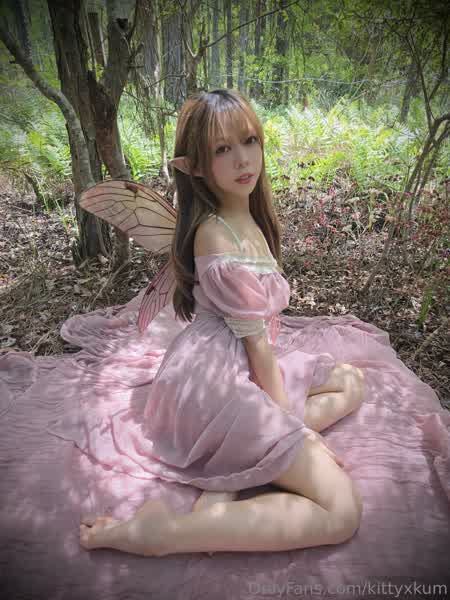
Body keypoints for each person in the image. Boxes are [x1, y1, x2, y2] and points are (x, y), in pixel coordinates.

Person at [78, 88, 365, 557]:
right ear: (195, 166)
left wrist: (290, 427)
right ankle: (161, 534)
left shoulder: (247, 218)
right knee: (342, 512)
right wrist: (297, 432)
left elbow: (258, 342)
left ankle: (236, 468)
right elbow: (257, 347)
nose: (242, 159)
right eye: (222, 150)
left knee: (352, 381)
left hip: (235, 363)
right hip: (214, 381)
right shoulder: (214, 234)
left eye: (249, 141)